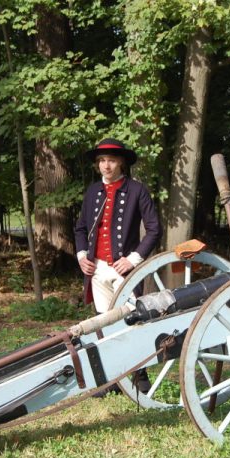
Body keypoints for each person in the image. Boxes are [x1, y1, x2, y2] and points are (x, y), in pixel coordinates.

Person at [74, 138, 162, 393]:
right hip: (97, 268)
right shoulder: (92, 191)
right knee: (104, 323)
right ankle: (111, 378)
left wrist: (134, 259)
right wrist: (82, 256)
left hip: (125, 268)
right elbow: (80, 227)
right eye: (102, 161)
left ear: (121, 162)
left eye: (111, 160)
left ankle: (139, 375)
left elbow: (155, 229)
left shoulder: (136, 190)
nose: (106, 165)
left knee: (131, 318)